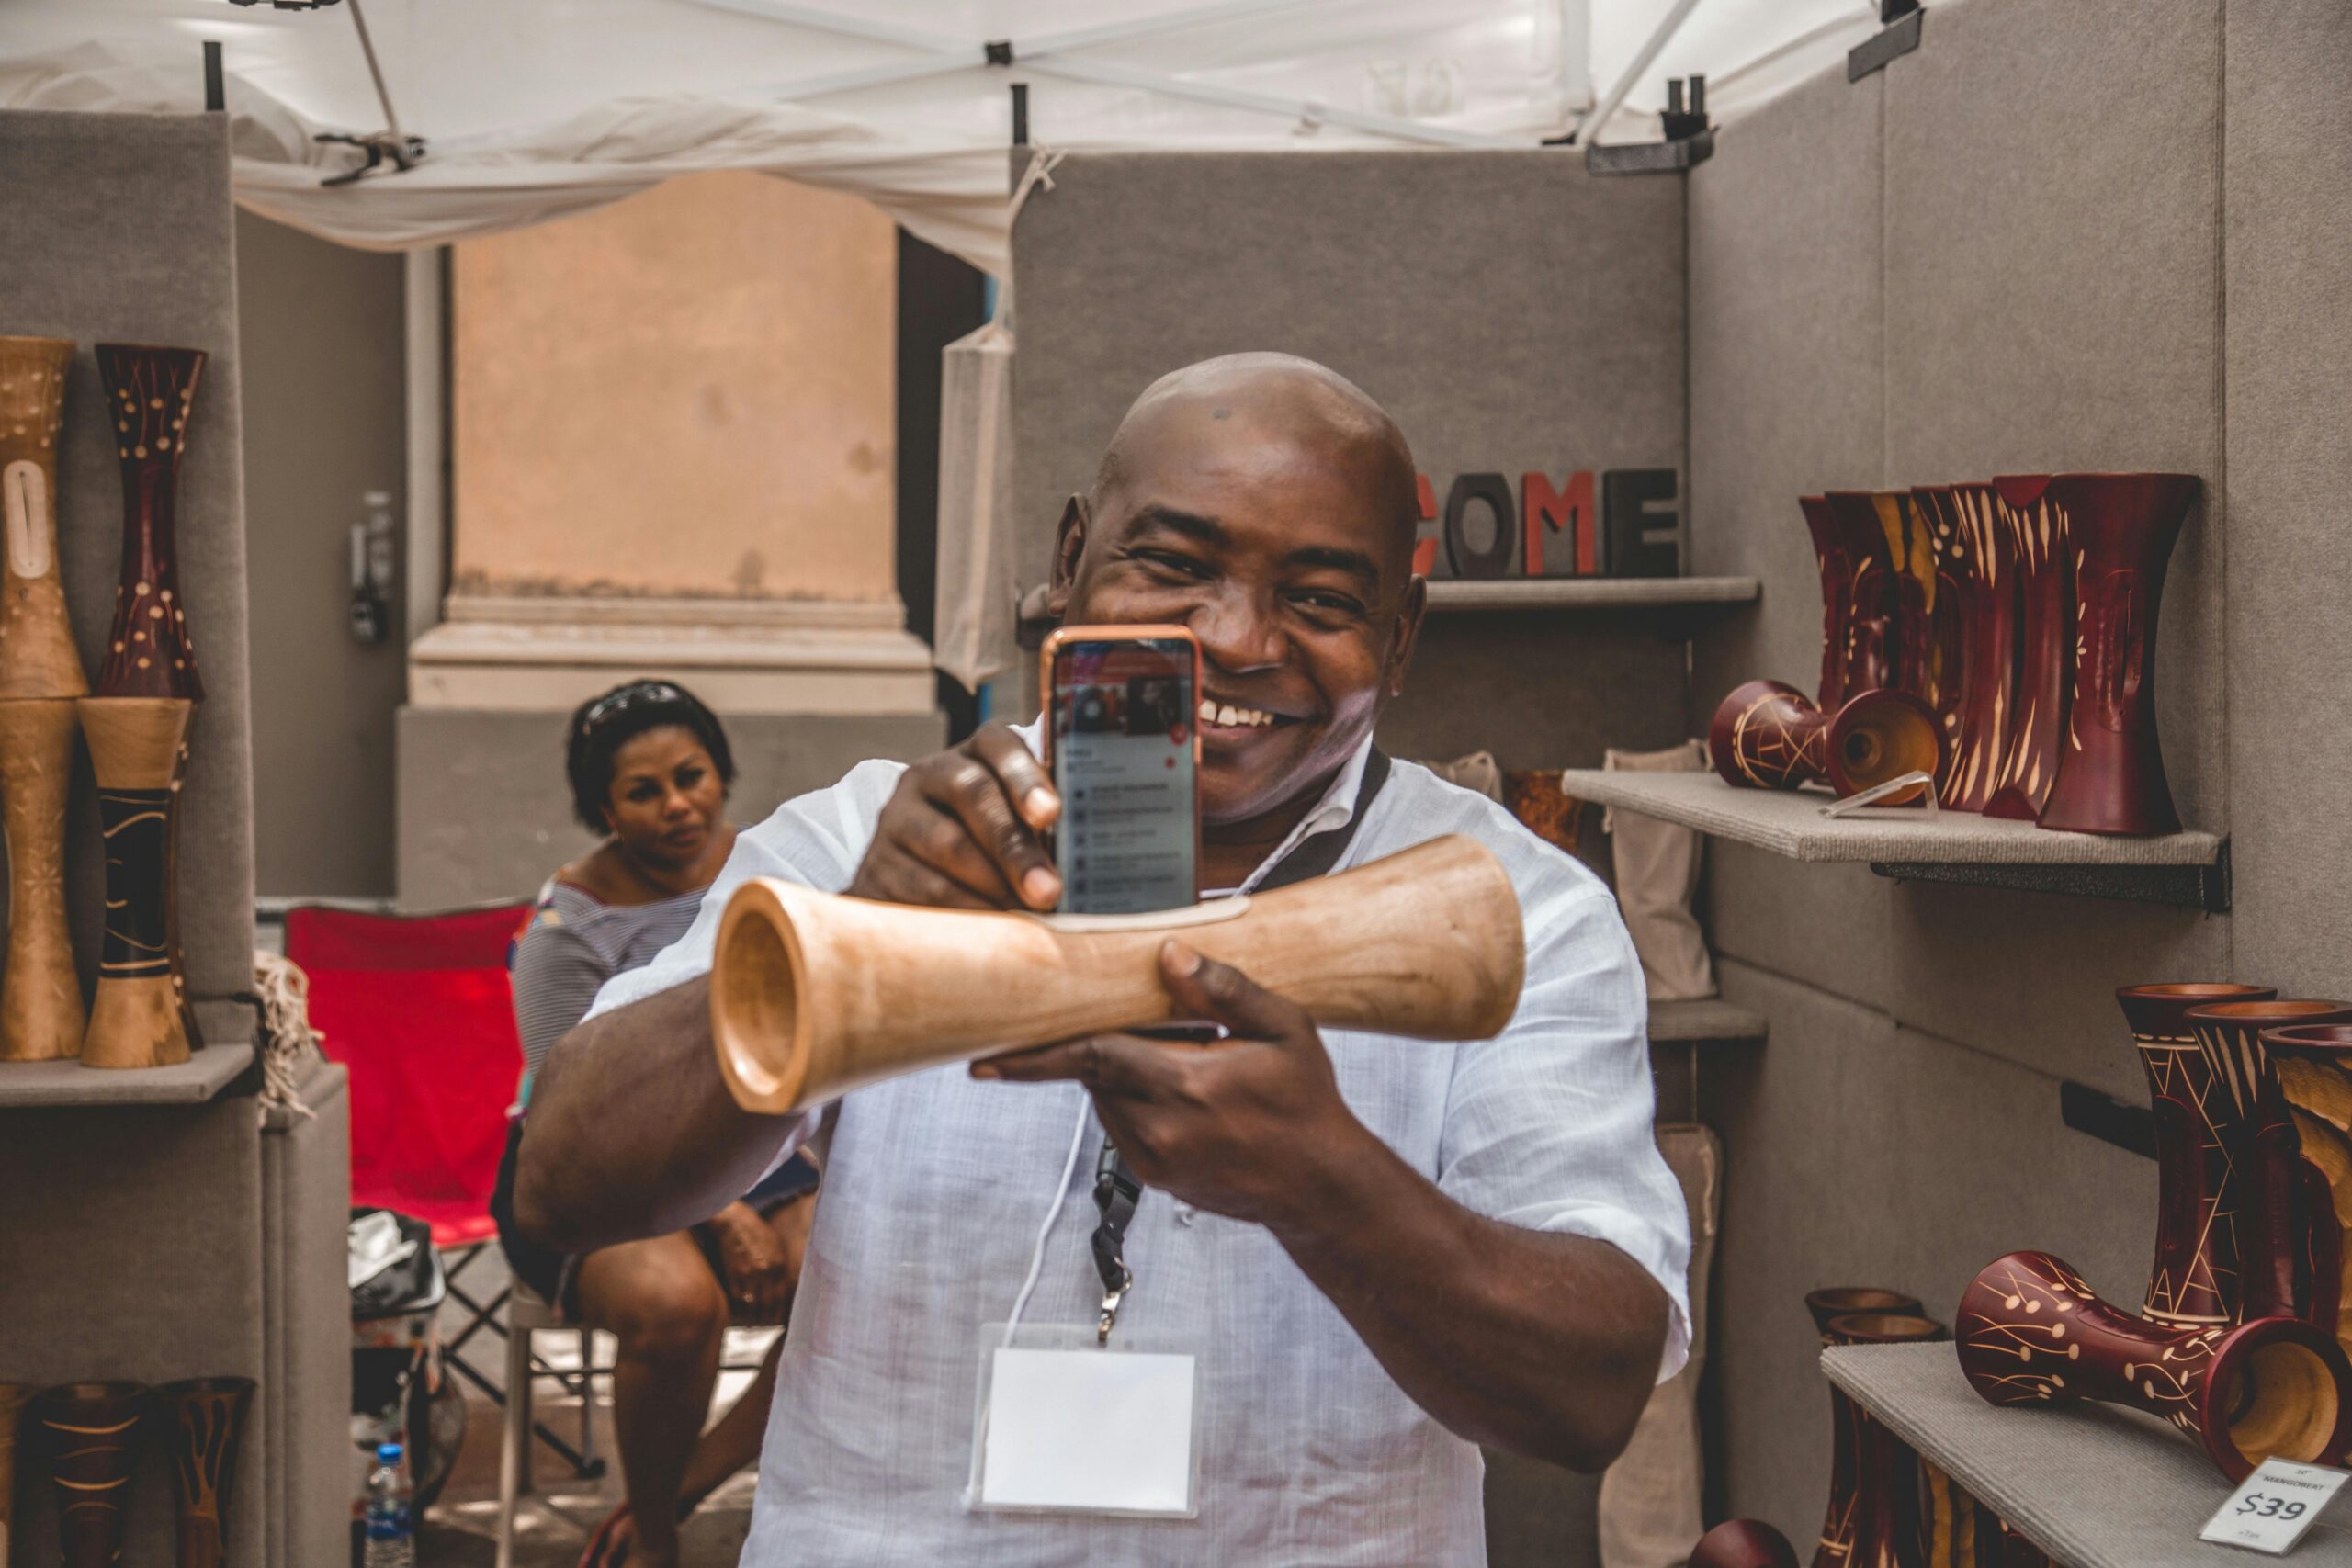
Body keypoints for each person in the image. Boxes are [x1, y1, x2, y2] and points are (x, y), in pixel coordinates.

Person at [517, 355, 1691, 1565]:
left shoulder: (1515, 908)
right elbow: (563, 1184)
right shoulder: (867, 837)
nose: (1233, 637)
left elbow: (1590, 1392)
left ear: (1399, 641)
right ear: (1072, 556)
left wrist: (1327, 1182)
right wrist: (849, 945)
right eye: (1174, 565)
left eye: (1324, 598)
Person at [489, 679, 819, 1568]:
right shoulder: (569, 926)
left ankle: (678, 1486)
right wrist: (727, 1214)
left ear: (722, 776)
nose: (678, 805)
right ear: (604, 808)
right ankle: (657, 1546)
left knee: (855, 1264)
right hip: (595, 1172)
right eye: (644, 791)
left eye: (693, 776)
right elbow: (570, 1121)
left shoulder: (774, 871)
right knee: (676, 1309)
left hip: (762, 1144)